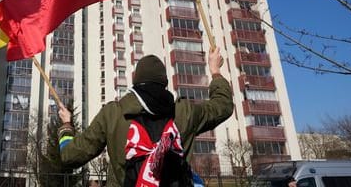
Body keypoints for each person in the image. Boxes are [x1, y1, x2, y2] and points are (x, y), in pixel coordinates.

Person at [57, 47, 234, 186]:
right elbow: (223, 106)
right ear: (164, 82)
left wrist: (66, 126)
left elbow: (70, 156)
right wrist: (215, 71)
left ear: (136, 81)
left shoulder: (113, 114)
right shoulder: (185, 112)